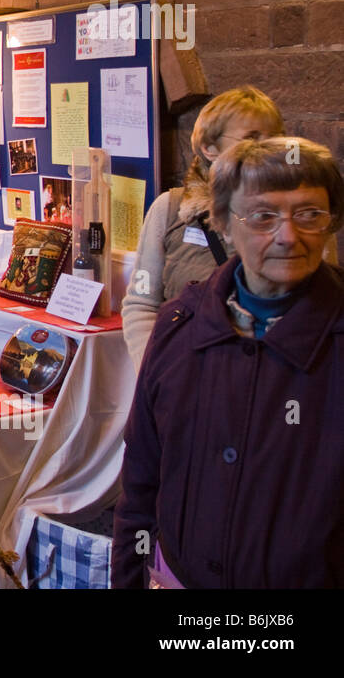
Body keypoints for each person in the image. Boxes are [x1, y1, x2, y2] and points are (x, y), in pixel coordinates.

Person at [113, 136, 344, 588]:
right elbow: (141, 483)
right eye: (263, 216)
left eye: (309, 214)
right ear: (222, 221)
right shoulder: (181, 327)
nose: (289, 235)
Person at [121, 86, 284, 366]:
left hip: (270, 377)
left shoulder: (295, 215)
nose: (266, 150)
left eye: (275, 138)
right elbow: (142, 303)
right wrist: (154, 372)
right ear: (210, 148)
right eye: (252, 138)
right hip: (188, 373)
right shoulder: (170, 210)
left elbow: (315, 307)